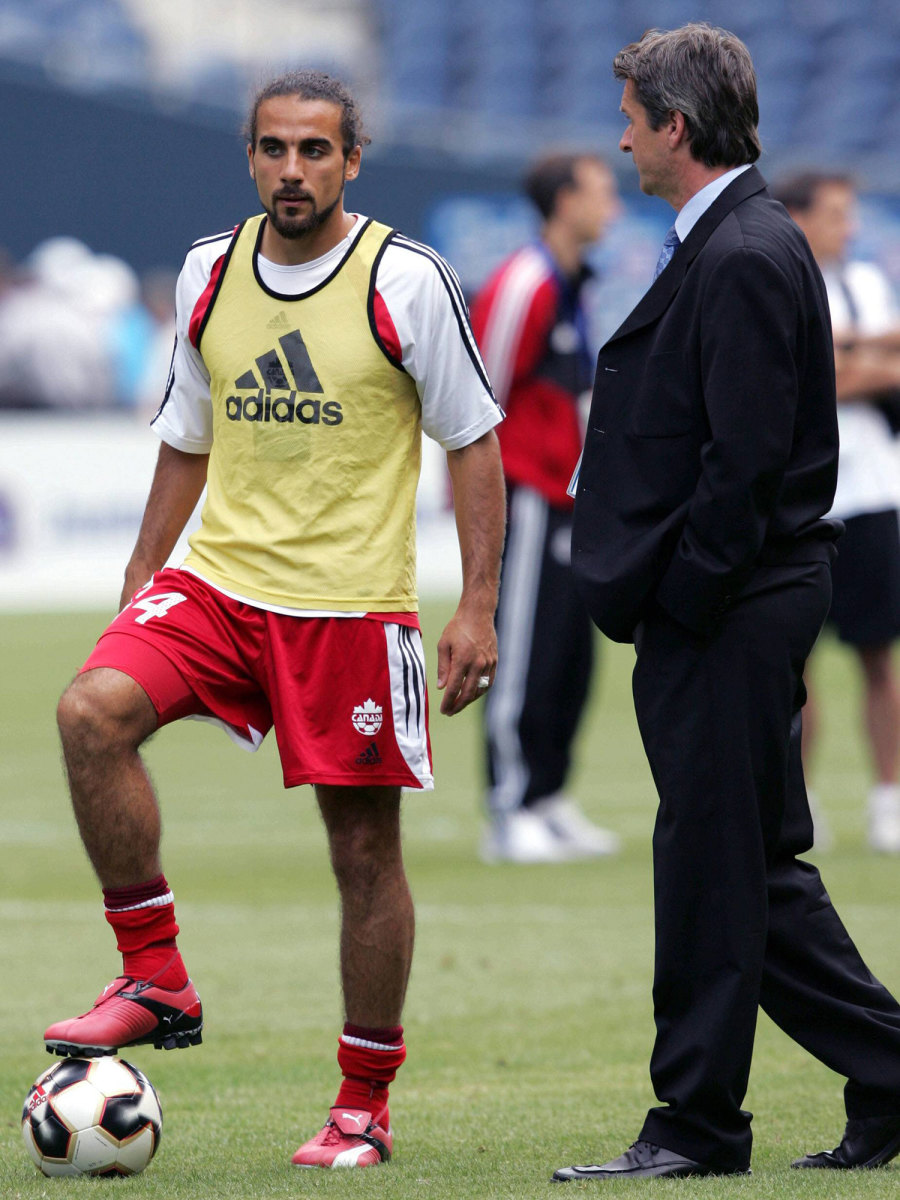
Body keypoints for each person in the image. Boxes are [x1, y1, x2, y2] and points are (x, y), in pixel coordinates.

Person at [43, 70, 506, 1171]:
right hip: (219, 584)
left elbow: (473, 443)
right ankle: (154, 974)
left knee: (361, 855)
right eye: (271, 149)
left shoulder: (407, 277)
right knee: (89, 715)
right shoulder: (209, 271)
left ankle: (363, 1106)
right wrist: (144, 567)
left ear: (353, 161)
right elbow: (186, 434)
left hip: (350, 606)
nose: (290, 170)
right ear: (248, 157)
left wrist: (477, 602)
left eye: (313, 150)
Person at [553, 24, 900, 1182]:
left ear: (677, 130)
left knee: (714, 869)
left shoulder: (743, 251)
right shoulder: (740, 239)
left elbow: (742, 465)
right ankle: (889, 1075)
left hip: (731, 608)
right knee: (752, 871)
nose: (621, 137)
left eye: (634, 118)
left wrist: (685, 599)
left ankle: (697, 1124)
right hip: (735, 604)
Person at [470, 152, 622, 863]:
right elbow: (477, 398)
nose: (612, 203)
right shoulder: (524, 283)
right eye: (600, 190)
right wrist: (484, 503)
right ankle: (510, 807)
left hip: (571, 497)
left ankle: (549, 796)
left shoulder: (571, 284)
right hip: (523, 497)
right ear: (565, 200)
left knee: (569, 652)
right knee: (523, 651)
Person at [774, 172, 900, 854]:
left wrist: (851, 357)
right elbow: (808, 374)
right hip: (805, 496)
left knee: (880, 655)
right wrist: (869, 353)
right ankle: (803, 801)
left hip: (873, 491)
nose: (848, 228)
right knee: (796, 663)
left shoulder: (868, 284)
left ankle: (889, 798)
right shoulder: (781, 280)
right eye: (835, 214)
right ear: (797, 217)